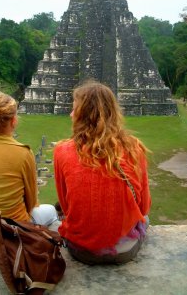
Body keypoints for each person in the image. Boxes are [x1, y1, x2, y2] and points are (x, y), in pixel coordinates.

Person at [54, 81, 151, 264]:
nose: (70, 114)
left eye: (74, 109)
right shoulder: (134, 149)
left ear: (81, 115)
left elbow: (67, 207)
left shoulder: (62, 151)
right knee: (145, 218)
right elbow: (144, 206)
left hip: (80, 250)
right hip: (124, 250)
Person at [0, 92, 58, 247]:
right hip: (11, 233)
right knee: (51, 211)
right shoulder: (22, 153)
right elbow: (32, 202)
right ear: (14, 121)